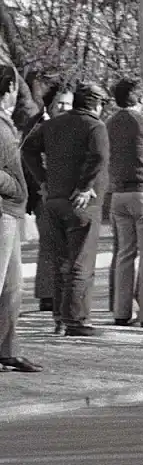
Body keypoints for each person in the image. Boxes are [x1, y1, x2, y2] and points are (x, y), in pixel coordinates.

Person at [22, 82, 111, 336]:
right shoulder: (95, 126)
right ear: (96, 104)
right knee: (82, 262)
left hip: (54, 200)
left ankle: (60, 317)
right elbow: (100, 157)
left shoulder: (51, 125)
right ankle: (77, 319)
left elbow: (28, 149)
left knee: (61, 262)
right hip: (83, 203)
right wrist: (85, 186)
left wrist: (43, 179)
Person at [106, 78, 143, 328]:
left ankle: (121, 312)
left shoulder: (107, 124)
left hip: (118, 194)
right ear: (141, 99)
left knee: (124, 254)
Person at [0, 75, 42, 371]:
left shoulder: (5, 122)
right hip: (3, 210)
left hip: (11, 213)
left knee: (13, 286)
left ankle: (7, 349)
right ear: (10, 88)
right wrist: (14, 185)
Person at [23, 84, 73, 313]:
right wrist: (39, 186)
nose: (65, 108)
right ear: (50, 104)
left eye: (69, 103)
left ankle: (60, 293)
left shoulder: (69, 125)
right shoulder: (38, 126)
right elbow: (26, 158)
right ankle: (47, 295)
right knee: (49, 244)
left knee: (62, 244)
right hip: (44, 193)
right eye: (60, 103)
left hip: (64, 192)